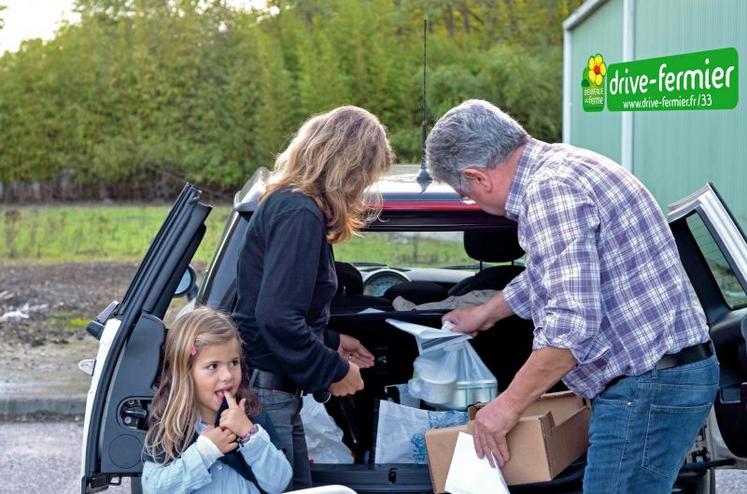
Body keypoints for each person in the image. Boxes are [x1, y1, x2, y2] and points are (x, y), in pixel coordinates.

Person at [425, 99, 718, 493]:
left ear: (478, 177)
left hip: (646, 387)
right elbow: (553, 275)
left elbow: (571, 328)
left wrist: (505, 408)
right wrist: (486, 313)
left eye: (466, 194)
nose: (473, 201)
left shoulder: (550, 193)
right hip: (660, 377)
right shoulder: (566, 164)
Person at [233, 105, 395, 489]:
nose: (362, 189)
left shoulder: (288, 204)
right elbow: (276, 319)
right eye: (365, 177)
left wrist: (334, 342)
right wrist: (334, 371)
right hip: (267, 395)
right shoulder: (299, 214)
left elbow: (277, 308)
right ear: (350, 167)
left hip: (270, 390)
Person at [142, 307, 292, 494]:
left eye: (234, 362)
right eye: (213, 366)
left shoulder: (251, 417)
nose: (228, 375)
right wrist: (205, 452)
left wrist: (249, 435)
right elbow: (154, 488)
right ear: (185, 373)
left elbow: (279, 483)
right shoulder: (171, 427)